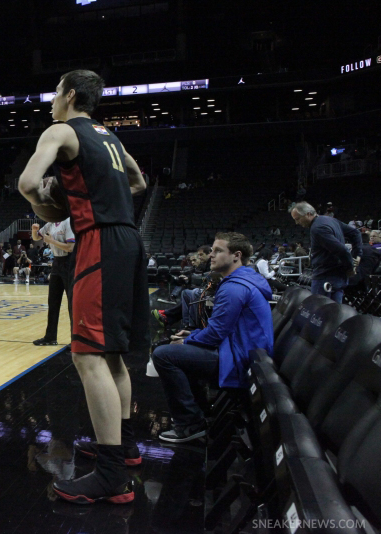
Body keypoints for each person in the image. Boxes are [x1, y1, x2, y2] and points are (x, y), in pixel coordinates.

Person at [18, 69, 147, 504]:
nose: (52, 99)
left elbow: (27, 183)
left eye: (55, 91)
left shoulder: (60, 129)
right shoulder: (110, 137)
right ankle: (124, 449)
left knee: (87, 355)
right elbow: (139, 181)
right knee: (112, 355)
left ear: (70, 95)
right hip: (129, 239)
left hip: (100, 242)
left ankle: (110, 477)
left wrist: (44, 204)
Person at [151, 233, 273, 442]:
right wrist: (193, 335)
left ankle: (190, 425)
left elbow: (216, 333)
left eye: (218, 251)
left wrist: (188, 340)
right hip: (243, 351)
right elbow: (223, 329)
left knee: (164, 355)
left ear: (236, 255)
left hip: (240, 359)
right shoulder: (243, 279)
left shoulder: (235, 287)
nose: (212, 256)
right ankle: (200, 412)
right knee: (180, 352)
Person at [290, 201, 362, 303]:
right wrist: (357, 255)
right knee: (335, 313)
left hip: (325, 277)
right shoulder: (329, 220)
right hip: (338, 277)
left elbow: (342, 250)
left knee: (319, 313)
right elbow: (355, 233)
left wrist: (350, 267)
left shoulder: (317, 229)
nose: (297, 223)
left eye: (298, 219)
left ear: (308, 214)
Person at [31, 218, 75, 346]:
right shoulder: (50, 224)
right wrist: (34, 230)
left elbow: (71, 247)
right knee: (53, 301)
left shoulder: (68, 222)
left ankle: (76, 340)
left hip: (69, 262)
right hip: (57, 262)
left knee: (72, 303)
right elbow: (36, 238)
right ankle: (50, 336)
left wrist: (51, 241)